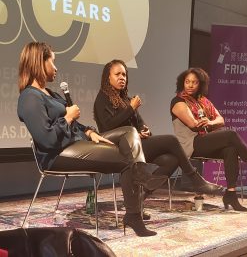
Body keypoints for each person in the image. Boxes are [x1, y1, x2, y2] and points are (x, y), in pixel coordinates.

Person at [17, 42, 170, 237]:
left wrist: (89, 132)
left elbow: (75, 127)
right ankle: (136, 208)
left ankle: (136, 203)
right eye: (52, 62)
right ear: (40, 62)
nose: (56, 68)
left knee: (130, 132)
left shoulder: (51, 94)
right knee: (127, 158)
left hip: (76, 143)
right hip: (57, 154)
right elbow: (46, 138)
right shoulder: (29, 97)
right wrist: (68, 117)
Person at [93, 59, 222, 207]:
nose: (122, 77)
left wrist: (144, 130)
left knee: (171, 159)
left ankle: (138, 198)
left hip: (135, 145)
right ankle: (195, 179)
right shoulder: (102, 99)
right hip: (118, 148)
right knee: (171, 141)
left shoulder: (126, 99)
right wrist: (131, 109)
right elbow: (108, 127)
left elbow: (140, 123)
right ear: (108, 77)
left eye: (124, 74)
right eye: (117, 74)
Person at [170, 67, 247, 212]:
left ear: (200, 85)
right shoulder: (178, 101)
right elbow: (193, 125)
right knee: (231, 135)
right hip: (189, 144)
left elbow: (221, 120)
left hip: (204, 140)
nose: (190, 85)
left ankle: (231, 194)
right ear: (182, 83)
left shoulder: (203, 102)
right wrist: (207, 122)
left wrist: (210, 122)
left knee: (231, 149)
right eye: (187, 82)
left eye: (194, 82)